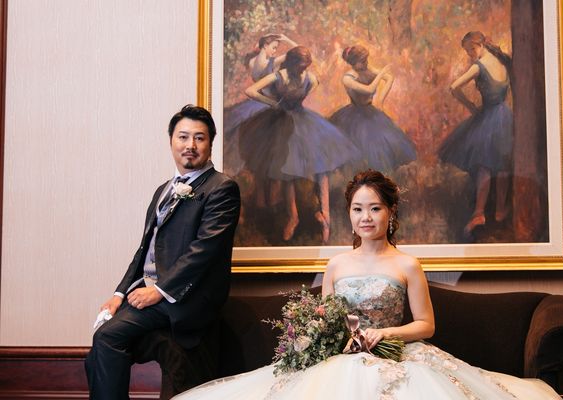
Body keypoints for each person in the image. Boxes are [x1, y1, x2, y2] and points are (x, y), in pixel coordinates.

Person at [173, 170, 562, 400]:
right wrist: (319, 337)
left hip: (394, 355)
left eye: (375, 208)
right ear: (349, 214)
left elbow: (426, 325)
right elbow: (326, 319)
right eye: (358, 209)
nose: (366, 217)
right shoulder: (337, 264)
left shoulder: (407, 264)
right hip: (341, 357)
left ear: (390, 212)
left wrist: (383, 334)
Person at [85, 105, 241, 399]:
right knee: (100, 343)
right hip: (152, 293)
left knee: (107, 336)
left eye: (199, 138)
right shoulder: (164, 190)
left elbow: (204, 251)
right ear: (171, 141)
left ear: (210, 143)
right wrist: (119, 294)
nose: (190, 145)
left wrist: (159, 291)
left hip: (186, 298)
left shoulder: (222, 188)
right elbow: (144, 249)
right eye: (183, 137)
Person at [240, 45, 360, 243]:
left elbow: (311, 86)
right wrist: (271, 102)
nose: (303, 70)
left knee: (322, 167)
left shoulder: (309, 78)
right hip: (281, 123)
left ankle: (325, 215)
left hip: (304, 122)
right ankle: (293, 216)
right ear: (292, 63)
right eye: (300, 67)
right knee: (288, 172)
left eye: (305, 67)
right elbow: (250, 90)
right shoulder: (279, 76)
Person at [437, 31, 513, 236]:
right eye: (467, 51)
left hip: (488, 118)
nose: (470, 54)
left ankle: (480, 212)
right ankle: (499, 210)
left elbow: (454, 87)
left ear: (480, 45)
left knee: (485, 165)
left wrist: (471, 106)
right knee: (502, 163)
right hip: (505, 116)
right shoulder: (503, 62)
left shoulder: (478, 67)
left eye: (471, 50)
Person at [223, 33, 297, 206]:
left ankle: (262, 196)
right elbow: (297, 51)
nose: (275, 51)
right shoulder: (272, 62)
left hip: (254, 104)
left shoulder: (252, 62)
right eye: (274, 47)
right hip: (266, 105)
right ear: (265, 46)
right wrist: (287, 39)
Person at [330, 45, 417, 173]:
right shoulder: (348, 78)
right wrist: (381, 73)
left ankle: (379, 173)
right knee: (361, 144)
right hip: (354, 115)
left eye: (366, 60)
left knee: (383, 141)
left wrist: (380, 99)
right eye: (362, 61)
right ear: (353, 62)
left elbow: (389, 78)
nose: (366, 63)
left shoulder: (367, 70)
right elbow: (369, 89)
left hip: (370, 111)